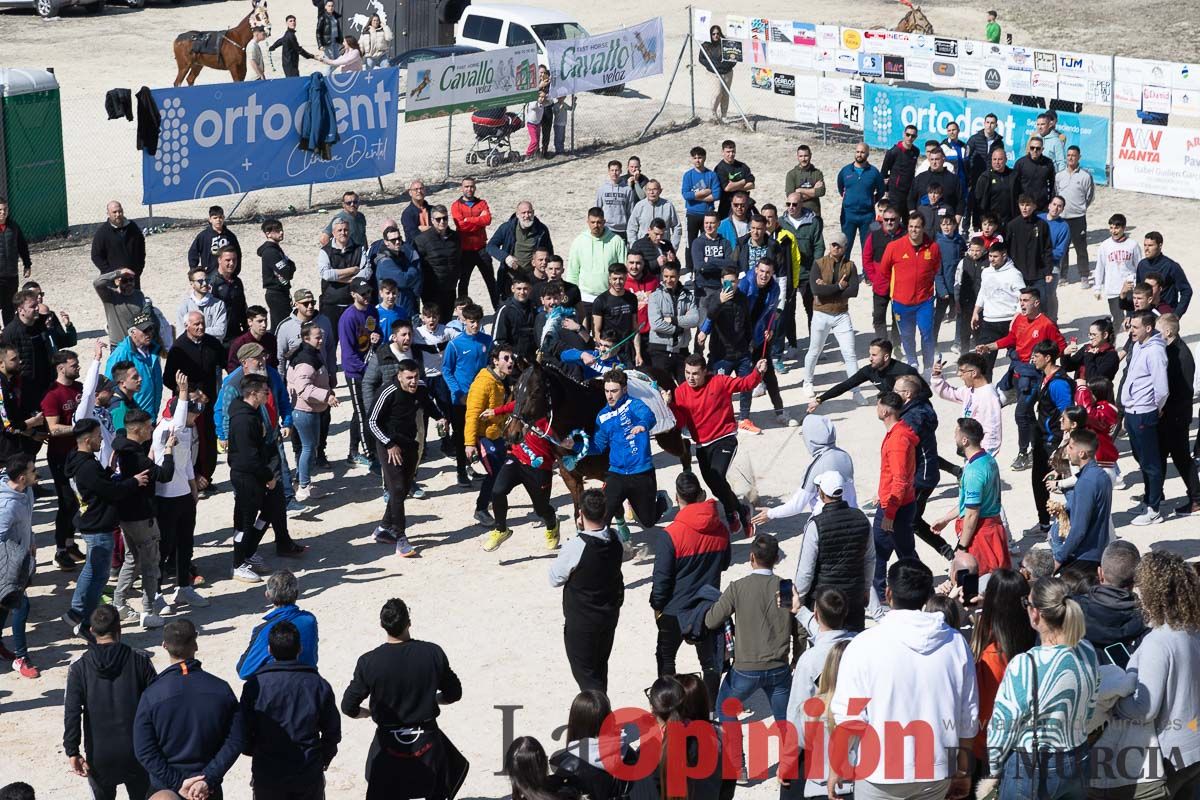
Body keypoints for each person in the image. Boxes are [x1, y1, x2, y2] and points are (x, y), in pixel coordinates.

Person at [833, 559, 978, 800]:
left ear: (888, 593)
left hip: (879, 773)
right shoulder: (956, 643)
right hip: (936, 769)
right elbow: (968, 715)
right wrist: (963, 770)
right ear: (927, 596)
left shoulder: (863, 645)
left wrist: (838, 765)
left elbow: (850, 715)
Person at [988, 577, 1099, 800]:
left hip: (1033, 764)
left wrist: (994, 768)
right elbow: (1090, 708)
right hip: (1078, 756)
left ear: (1036, 613)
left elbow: (1003, 725)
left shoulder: (1025, 664)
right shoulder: (1087, 651)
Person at [341, 597, 463, 800]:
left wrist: (367, 713)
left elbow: (348, 707)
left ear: (382, 625)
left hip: (389, 744)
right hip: (427, 742)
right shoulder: (432, 653)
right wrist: (433, 700)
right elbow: (454, 694)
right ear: (409, 622)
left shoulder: (369, 662)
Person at [1110, 551, 1200, 798]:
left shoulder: (1158, 642)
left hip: (1172, 752)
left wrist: (1116, 703)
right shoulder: (1193, 629)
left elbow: (1145, 709)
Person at [133, 619, 245, 799]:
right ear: (195, 643)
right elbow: (235, 740)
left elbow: (144, 750)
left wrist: (177, 782)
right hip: (207, 790)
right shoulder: (221, 689)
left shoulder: (151, 695)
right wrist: (208, 778)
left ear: (164, 646)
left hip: (166, 790)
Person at [63, 420, 150, 637]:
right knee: (97, 576)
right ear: (86, 439)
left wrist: (109, 473)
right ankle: (81, 617)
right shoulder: (87, 466)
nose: (101, 438)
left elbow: (100, 485)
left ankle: (80, 615)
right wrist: (133, 482)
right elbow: (110, 491)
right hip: (98, 526)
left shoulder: (78, 460)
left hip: (92, 521)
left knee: (94, 573)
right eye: (97, 435)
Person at [649, 471, 729, 703]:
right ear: (702, 494)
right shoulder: (721, 529)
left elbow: (661, 580)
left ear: (676, 497)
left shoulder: (671, 534)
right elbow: (723, 564)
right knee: (710, 661)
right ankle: (711, 708)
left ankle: (669, 705)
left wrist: (657, 605)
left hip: (674, 609)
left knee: (666, 657)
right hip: (707, 607)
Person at [239, 619, 341, 800]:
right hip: (307, 772)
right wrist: (323, 759)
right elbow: (332, 731)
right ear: (300, 649)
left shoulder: (255, 686)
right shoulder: (318, 684)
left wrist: (257, 753)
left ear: (269, 650)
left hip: (268, 773)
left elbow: (243, 731)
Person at [63, 604, 157, 800]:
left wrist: (72, 751)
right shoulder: (140, 661)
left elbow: (72, 712)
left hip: (99, 755)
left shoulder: (79, 668)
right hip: (138, 751)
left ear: (91, 631)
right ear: (119, 629)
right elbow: (158, 706)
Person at [705, 533, 793, 729]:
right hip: (779, 666)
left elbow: (711, 621)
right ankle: (794, 759)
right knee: (785, 720)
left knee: (724, 709)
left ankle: (737, 759)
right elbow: (799, 630)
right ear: (777, 559)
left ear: (751, 557)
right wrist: (796, 658)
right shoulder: (785, 587)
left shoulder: (738, 587)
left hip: (746, 669)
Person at [668, 355, 762, 533]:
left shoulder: (719, 381)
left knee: (717, 476)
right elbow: (680, 422)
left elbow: (745, 384)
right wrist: (670, 406)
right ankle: (738, 509)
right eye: (687, 373)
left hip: (724, 438)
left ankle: (737, 513)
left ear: (705, 372)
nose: (690, 377)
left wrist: (758, 372)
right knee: (714, 485)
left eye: (695, 373)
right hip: (702, 445)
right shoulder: (680, 392)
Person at [229, 374, 305, 583]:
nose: (267, 394)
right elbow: (248, 457)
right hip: (247, 478)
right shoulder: (243, 420)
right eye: (264, 391)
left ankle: (249, 551)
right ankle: (238, 563)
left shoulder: (253, 413)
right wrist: (267, 476)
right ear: (253, 393)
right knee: (242, 524)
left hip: (258, 475)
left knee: (272, 509)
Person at [548, 488, 624, 693]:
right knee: (600, 670)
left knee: (587, 678)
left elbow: (554, 579)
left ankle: (601, 720)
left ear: (580, 513)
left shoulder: (576, 546)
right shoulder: (615, 538)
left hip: (583, 622)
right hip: (608, 616)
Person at [368, 358, 442, 557]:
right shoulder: (387, 391)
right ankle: (400, 537)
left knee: (403, 488)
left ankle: (383, 529)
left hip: (410, 443)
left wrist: (440, 417)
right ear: (399, 376)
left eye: (416, 377)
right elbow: (372, 422)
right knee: (398, 488)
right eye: (409, 377)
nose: (413, 381)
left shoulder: (421, 388)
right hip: (389, 445)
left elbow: (428, 405)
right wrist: (389, 444)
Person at [111, 408, 176, 629]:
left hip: (126, 516)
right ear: (137, 429)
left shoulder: (120, 446)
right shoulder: (136, 458)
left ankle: (118, 603)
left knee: (132, 559)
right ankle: (148, 611)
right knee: (150, 564)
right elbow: (165, 475)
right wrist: (168, 451)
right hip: (142, 517)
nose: (151, 429)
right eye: (148, 426)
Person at [793, 472, 874, 630]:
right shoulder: (861, 518)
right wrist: (866, 587)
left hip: (826, 600)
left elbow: (806, 570)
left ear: (821, 494)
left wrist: (799, 598)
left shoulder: (815, 525)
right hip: (854, 595)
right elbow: (870, 559)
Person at [932, 418, 1011, 577]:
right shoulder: (988, 460)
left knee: (979, 582)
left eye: (956, 434)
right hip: (993, 530)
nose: (954, 439)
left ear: (964, 440)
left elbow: (972, 514)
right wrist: (946, 519)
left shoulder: (973, 472)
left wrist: (961, 548)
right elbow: (967, 505)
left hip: (981, 536)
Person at [1121, 311, 1168, 525]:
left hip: (1144, 411)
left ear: (1148, 328)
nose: (1131, 330)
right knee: (1142, 460)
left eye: (1135, 327)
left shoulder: (1155, 352)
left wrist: (1155, 408)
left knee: (1151, 462)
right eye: (1131, 326)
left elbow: (1161, 389)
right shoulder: (1138, 345)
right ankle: (1149, 499)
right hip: (1132, 411)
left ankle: (1154, 508)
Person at [879, 213, 940, 378]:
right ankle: (912, 362)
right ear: (907, 227)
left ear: (923, 227)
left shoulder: (933, 247)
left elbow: (935, 268)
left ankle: (928, 367)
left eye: (918, 227)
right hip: (901, 301)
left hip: (924, 301)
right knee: (907, 335)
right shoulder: (894, 247)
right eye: (911, 226)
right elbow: (884, 271)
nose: (914, 230)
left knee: (927, 332)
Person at [873, 392, 919, 596]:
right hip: (894, 502)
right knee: (880, 550)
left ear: (885, 411)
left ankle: (917, 587)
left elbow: (900, 479)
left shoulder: (897, 440)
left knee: (905, 553)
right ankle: (879, 590)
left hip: (895, 507)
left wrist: (890, 513)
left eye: (878, 405)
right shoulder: (898, 433)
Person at [804, 230, 860, 394]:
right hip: (821, 314)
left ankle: (856, 389)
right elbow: (815, 289)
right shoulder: (819, 263)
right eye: (833, 244)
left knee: (849, 353)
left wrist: (826, 289)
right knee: (814, 350)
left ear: (844, 247)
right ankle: (807, 382)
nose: (835, 248)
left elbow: (854, 291)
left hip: (841, 314)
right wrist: (839, 287)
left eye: (838, 245)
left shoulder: (850, 266)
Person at [1155, 314, 1200, 515]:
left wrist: (1163, 408)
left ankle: (1197, 499)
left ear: (1168, 332)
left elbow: (1181, 389)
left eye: (1158, 330)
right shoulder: (1170, 350)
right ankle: (1155, 494)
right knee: (1160, 455)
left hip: (1175, 416)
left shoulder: (1180, 355)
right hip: (1171, 415)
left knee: (1182, 458)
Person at [1050, 429, 1112, 574]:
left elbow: (1079, 530)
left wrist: (1059, 559)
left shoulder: (1086, 482)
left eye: (1071, 447)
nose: (1067, 451)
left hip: (1084, 556)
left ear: (1082, 453)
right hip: (1097, 551)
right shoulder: (1101, 475)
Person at [0, 453, 37, 677]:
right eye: (33, 470)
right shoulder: (6, 507)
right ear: (22, 477)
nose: (36, 473)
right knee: (21, 606)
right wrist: (15, 558)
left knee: (4, 604)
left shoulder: (27, 490)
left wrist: (31, 541)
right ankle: (21, 657)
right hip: (9, 567)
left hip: (23, 559)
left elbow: (28, 520)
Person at [934, 352, 1002, 453]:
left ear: (973, 373)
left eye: (962, 371)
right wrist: (937, 376)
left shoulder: (988, 396)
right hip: (969, 449)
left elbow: (992, 431)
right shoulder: (969, 390)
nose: (958, 374)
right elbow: (949, 393)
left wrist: (982, 456)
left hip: (979, 454)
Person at [486, 201, 553, 303]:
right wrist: (506, 257)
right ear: (517, 214)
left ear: (534, 212)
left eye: (529, 212)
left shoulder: (542, 230)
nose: (527, 215)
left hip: (533, 277)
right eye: (523, 213)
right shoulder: (507, 228)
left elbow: (550, 252)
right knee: (509, 305)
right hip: (510, 276)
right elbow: (490, 246)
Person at [566, 208, 628, 316]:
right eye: (593, 222)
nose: (596, 225)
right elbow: (573, 271)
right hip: (584, 297)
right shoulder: (579, 242)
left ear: (604, 222)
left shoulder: (616, 241)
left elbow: (623, 269)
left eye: (599, 222)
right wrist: (572, 296)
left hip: (609, 297)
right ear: (588, 222)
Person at [449, 177, 496, 309]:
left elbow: (487, 220)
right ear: (462, 188)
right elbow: (461, 226)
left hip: (482, 249)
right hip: (465, 251)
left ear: (475, 188)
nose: (469, 189)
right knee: (463, 283)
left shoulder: (482, 203)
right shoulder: (456, 206)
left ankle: (498, 309)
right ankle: (463, 312)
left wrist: (468, 219)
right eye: (466, 186)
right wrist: (478, 220)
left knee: (491, 281)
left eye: (471, 186)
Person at [647, 263, 698, 383]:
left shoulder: (688, 296)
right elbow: (656, 324)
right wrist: (678, 329)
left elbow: (694, 319)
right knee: (662, 389)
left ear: (679, 276)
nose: (668, 280)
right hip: (660, 350)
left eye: (672, 277)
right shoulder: (655, 296)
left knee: (686, 388)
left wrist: (673, 320)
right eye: (666, 276)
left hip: (681, 350)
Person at [862, 205, 904, 340]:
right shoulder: (874, 235)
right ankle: (883, 345)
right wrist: (874, 277)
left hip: (900, 286)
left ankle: (897, 346)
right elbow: (866, 257)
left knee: (898, 319)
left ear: (898, 220)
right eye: (886, 219)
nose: (889, 222)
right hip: (881, 285)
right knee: (879, 318)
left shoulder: (905, 236)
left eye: (893, 219)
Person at [1094, 214, 1142, 327]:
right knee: (1117, 318)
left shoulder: (1133, 245)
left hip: (1130, 288)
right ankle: (1114, 343)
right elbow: (1100, 267)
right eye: (1111, 227)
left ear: (1124, 228)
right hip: (1112, 288)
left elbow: (1140, 266)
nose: (1113, 231)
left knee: (1132, 319)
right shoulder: (1105, 246)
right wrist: (1097, 288)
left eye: (1116, 227)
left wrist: (1139, 284)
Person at [1055, 147, 1094, 285]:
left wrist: (1080, 208)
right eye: (1069, 155)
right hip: (1062, 217)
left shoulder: (1085, 176)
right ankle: (1063, 276)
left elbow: (1089, 196)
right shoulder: (1059, 176)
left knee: (1081, 248)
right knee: (1063, 248)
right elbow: (1056, 194)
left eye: (1074, 155)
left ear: (1079, 157)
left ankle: (1084, 275)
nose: (1071, 158)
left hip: (1078, 218)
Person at [837, 143, 884, 256]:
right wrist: (849, 200)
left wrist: (870, 201)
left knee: (867, 247)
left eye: (862, 152)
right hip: (848, 215)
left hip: (867, 216)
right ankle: (845, 271)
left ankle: (866, 273)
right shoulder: (845, 171)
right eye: (857, 152)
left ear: (867, 154)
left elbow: (881, 191)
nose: (859, 154)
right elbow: (840, 187)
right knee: (845, 246)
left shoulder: (874, 172)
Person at [681, 146, 722, 267]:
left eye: (700, 157)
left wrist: (696, 197)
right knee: (691, 242)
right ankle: (690, 269)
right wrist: (704, 193)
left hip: (707, 214)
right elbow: (686, 195)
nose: (697, 160)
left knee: (708, 241)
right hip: (692, 214)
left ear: (704, 158)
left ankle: (707, 266)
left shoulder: (711, 175)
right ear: (692, 159)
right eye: (695, 158)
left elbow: (716, 195)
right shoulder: (688, 175)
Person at [1138, 231, 1191, 316]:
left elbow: (1186, 291)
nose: (1146, 249)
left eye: (1150, 245)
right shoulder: (1141, 265)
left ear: (1160, 246)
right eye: (1145, 245)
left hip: (1165, 314)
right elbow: (1138, 291)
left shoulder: (1171, 266)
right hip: (1146, 314)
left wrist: (1177, 314)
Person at [91, 200, 145, 277]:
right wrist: (111, 274)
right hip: (113, 280)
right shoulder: (102, 232)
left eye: (120, 211)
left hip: (132, 277)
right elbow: (96, 256)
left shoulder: (133, 227)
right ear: (108, 214)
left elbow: (141, 248)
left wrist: (138, 269)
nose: (118, 214)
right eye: (114, 212)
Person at [209, 246, 249, 346]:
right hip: (219, 335)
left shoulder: (237, 281)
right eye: (228, 260)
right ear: (219, 260)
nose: (231, 263)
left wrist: (246, 328)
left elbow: (242, 306)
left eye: (234, 260)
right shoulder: (212, 282)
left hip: (236, 332)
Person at [0, 198, 32, 325]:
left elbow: (22, 246)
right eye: (0, 210)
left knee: (10, 307)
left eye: (5, 209)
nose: (3, 212)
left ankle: (8, 336)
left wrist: (27, 264)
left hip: (11, 275)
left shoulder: (13, 227)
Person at [176, 267, 228, 342]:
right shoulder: (184, 306)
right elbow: (181, 334)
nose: (204, 283)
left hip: (212, 348)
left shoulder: (218, 304)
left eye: (207, 280)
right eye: (200, 281)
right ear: (192, 284)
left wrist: (194, 331)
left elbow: (221, 331)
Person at [628, 180, 682, 249]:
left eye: (654, 189)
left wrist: (673, 247)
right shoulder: (639, 206)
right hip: (644, 248)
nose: (651, 192)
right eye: (649, 189)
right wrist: (634, 246)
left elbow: (677, 227)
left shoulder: (668, 206)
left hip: (663, 247)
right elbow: (631, 228)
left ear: (660, 191)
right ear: (645, 191)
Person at [187, 206, 241, 275]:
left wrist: (236, 270)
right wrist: (194, 270)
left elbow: (237, 254)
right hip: (209, 273)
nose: (218, 220)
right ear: (210, 219)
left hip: (227, 274)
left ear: (224, 218)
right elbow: (193, 252)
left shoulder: (230, 236)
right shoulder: (203, 236)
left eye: (220, 217)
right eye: (215, 218)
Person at [881, 125, 920, 218]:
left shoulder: (916, 151)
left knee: (908, 218)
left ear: (916, 137)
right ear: (903, 134)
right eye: (908, 134)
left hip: (909, 190)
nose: (910, 138)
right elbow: (884, 172)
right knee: (895, 217)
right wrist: (886, 189)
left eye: (913, 136)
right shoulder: (893, 152)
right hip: (895, 191)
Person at [699, 26, 734, 123]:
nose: (716, 36)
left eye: (718, 33)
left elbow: (734, 57)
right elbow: (701, 59)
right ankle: (713, 113)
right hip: (713, 73)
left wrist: (728, 65)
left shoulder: (726, 44)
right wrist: (712, 66)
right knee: (717, 93)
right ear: (710, 35)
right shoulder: (706, 45)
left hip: (727, 73)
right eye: (713, 34)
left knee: (726, 94)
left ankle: (724, 115)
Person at [1013, 136, 1056, 211]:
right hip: (1024, 207)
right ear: (1029, 148)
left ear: (1042, 149)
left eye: (1038, 148)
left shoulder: (1048, 163)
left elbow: (1052, 184)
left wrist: (1050, 202)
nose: (1035, 150)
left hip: (1042, 206)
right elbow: (1014, 186)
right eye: (1032, 148)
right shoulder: (1020, 163)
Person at [315, 0, 342, 65]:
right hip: (327, 43)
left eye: (332, 6)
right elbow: (318, 32)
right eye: (329, 6)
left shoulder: (335, 16)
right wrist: (320, 45)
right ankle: (327, 75)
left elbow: (338, 30)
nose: (331, 7)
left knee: (337, 61)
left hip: (335, 42)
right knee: (329, 62)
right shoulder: (322, 18)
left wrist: (341, 40)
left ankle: (330, 75)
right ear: (325, 7)